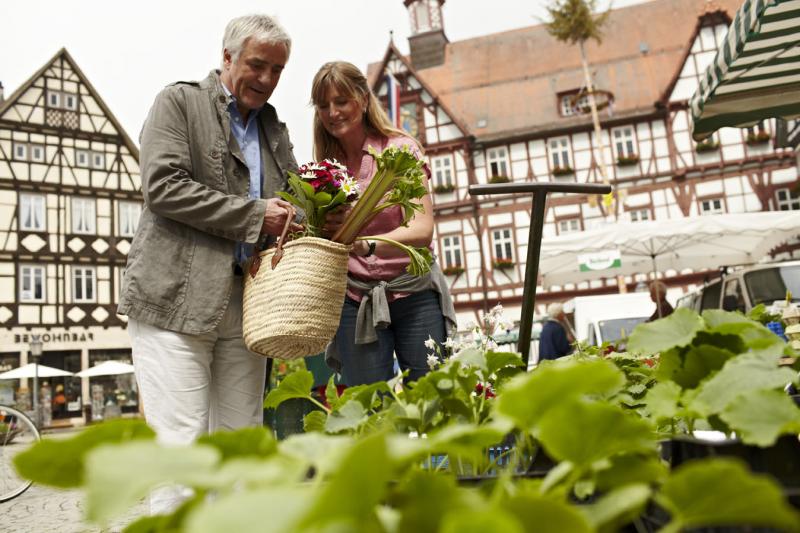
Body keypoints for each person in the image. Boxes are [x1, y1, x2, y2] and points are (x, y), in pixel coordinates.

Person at [118, 14, 301, 512]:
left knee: (241, 450)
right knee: (182, 449)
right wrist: (256, 215)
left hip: (248, 310)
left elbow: (289, 201)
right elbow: (163, 187)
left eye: (277, 70)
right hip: (172, 298)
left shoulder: (274, 128)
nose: (266, 79)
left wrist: (310, 213)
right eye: (257, 65)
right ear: (227, 58)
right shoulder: (177, 102)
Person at [312, 61, 457, 386]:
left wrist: (367, 244)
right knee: (368, 407)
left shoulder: (400, 151)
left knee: (434, 398)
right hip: (356, 299)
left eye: (341, 101)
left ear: (363, 99)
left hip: (413, 291)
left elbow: (422, 229)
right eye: (323, 105)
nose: (332, 112)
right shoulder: (325, 170)